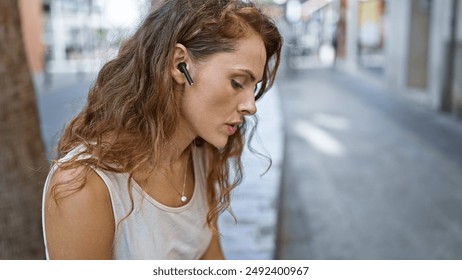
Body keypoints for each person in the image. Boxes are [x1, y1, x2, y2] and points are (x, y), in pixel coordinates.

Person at [41, 0, 282, 260]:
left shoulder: (201, 156)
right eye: (237, 83)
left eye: (253, 88)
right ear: (181, 65)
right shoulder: (84, 185)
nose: (251, 106)